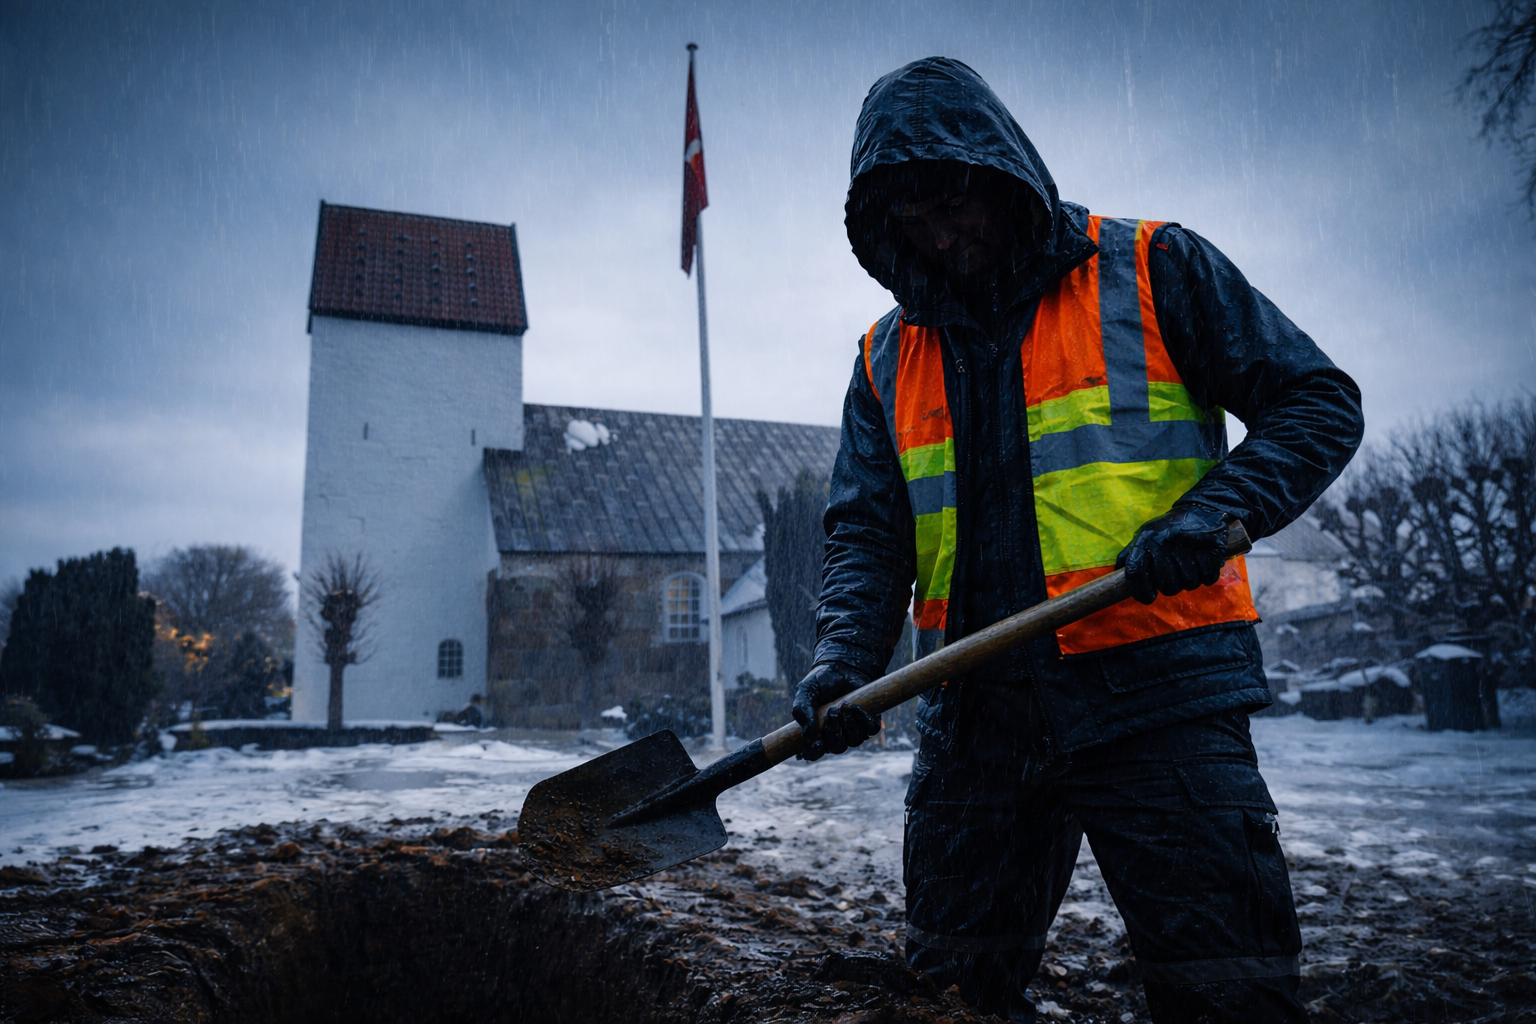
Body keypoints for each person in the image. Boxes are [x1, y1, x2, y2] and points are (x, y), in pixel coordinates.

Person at [793, 58, 1362, 1024]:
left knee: (1227, 992)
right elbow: (867, 532)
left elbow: (1317, 403)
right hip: (976, 715)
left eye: (954, 204)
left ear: (1002, 172)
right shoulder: (884, 357)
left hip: (1160, 695)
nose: (940, 233)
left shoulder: (1154, 269)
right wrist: (844, 658)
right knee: (952, 994)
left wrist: (1207, 518)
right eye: (913, 220)